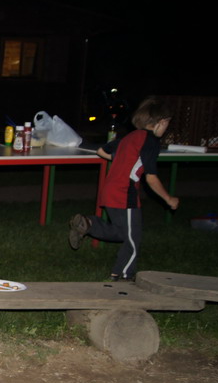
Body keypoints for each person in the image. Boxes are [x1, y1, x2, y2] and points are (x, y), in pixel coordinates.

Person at [68, 97, 180, 281]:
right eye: (167, 123)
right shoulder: (150, 141)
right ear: (161, 122)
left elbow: (102, 151)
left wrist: (123, 160)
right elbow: (151, 178)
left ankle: (89, 224)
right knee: (133, 239)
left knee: (122, 232)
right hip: (125, 193)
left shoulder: (131, 137)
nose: (167, 127)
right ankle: (123, 276)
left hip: (110, 189)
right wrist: (169, 199)